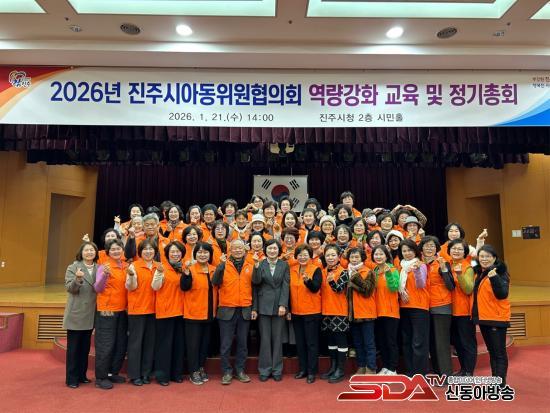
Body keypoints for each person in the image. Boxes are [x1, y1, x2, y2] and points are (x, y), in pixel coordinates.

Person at [212, 239, 254, 385]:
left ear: (244, 250)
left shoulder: (250, 265)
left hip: (244, 309)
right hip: (226, 309)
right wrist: (220, 265)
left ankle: (240, 370)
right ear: (230, 250)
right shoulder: (223, 265)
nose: (237, 250)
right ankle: (226, 372)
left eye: (240, 248)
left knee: (243, 344)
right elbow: (215, 282)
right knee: (226, 344)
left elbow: (256, 286)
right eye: (235, 248)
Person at [471, 245, 511, 386]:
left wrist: (494, 278)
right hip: (485, 318)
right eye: (482, 256)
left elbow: (502, 294)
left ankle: (500, 383)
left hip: (496, 318)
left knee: (498, 353)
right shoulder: (481, 272)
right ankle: (496, 381)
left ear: (494, 258)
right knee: (492, 352)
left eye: (488, 256)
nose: (484, 259)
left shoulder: (500, 272)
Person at [251, 239, 290, 382]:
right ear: (265, 250)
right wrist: (256, 266)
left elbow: (286, 285)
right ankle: (265, 369)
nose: (272, 251)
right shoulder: (260, 264)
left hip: (279, 306)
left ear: (279, 250)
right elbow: (255, 283)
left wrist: (283, 305)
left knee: (278, 339)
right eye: (269, 248)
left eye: (275, 248)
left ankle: (277, 369)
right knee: (265, 339)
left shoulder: (284, 265)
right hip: (264, 306)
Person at [63, 241, 99, 388]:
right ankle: (71, 378)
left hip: (91, 313)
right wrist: (77, 279)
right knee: (73, 349)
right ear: (81, 253)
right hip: (76, 313)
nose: (89, 252)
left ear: (96, 252)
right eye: (86, 250)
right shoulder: (73, 267)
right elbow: (70, 288)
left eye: (92, 250)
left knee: (85, 348)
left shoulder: (99, 268)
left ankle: (82, 375)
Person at [93, 239, 129, 390]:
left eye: (118, 248)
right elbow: (97, 288)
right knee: (105, 344)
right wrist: (104, 276)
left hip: (123, 310)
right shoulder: (104, 266)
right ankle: (101, 377)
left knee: (120, 344)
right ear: (108, 252)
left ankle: (112, 373)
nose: (116, 251)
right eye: (113, 249)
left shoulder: (126, 266)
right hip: (107, 310)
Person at [180, 242, 217, 385]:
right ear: (195, 254)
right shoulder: (190, 269)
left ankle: (201, 367)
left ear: (210, 254)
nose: (203, 255)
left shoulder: (214, 269)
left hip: (209, 313)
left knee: (204, 344)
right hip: (193, 313)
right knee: (193, 345)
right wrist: (186, 274)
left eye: (205, 252)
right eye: (200, 252)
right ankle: (193, 371)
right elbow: (184, 287)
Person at [151, 240, 186, 386]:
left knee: (178, 345)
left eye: (178, 252)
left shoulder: (184, 268)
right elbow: (155, 286)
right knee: (164, 346)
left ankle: (176, 374)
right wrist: (159, 273)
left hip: (181, 312)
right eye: (172, 252)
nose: (175, 254)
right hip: (165, 312)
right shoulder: (161, 268)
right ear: (167, 254)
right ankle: (162, 375)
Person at [420, 236, 455, 377]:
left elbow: (451, 286)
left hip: (441, 306)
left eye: (432, 246)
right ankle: (436, 370)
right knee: (432, 342)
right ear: (421, 248)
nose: (429, 248)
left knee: (441, 342)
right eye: (426, 246)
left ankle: (446, 374)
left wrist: (444, 269)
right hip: (424, 307)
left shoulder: (442, 263)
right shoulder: (419, 264)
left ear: (436, 248)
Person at [125, 239, 158, 386]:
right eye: (145, 249)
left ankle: (146, 373)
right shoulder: (134, 265)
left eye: (151, 249)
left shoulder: (159, 266)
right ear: (140, 252)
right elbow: (130, 287)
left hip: (154, 310)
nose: (148, 252)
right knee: (135, 343)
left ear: (155, 252)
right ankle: (134, 375)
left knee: (150, 343)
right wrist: (131, 276)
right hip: (137, 309)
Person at [289, 244, 323, 384]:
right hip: (296, 312)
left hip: (311, 312)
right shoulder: (292, 269)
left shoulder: (315, 269)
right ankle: (303, 369)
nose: (302, 257)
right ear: (296, 256)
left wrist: (308, 281)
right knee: (300, 343)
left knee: (311, 343)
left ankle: (312, 371)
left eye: (305, 255)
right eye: (300, 255)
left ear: (310, 256)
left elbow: (316, 288)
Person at [398, 239, 430, 376]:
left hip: (419, 307)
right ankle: (410, 371)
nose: (407, 253)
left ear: (415, 251)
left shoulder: (420, 265)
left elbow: (421, 284)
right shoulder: (401, 267)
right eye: (404, 251)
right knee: (407, 341)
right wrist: (401, 292)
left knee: (418, 342)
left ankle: (420, 373)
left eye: (410, 250)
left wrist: (416, 271)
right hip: (404, 307)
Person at [448, 238, 477, 376]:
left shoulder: (468, 267)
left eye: (460, 249)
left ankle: (469, 371)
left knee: (467, 343)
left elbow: (468, 289)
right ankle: (463, 369)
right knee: (457, 343)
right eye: (454, 248)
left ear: (465, 252)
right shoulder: (447, 265)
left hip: (463, 311)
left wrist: (459, 275)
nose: (456, 251)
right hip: (450, 310)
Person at [346, 247, 377, 376]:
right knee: (358, 343)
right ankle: (361, 366)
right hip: (353, 313)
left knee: (369, 343)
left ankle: (371, 368)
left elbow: (368, 291)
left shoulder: (368, 271)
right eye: (352, 257)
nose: (354, 259)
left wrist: (356, 278)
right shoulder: (347, 271)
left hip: (366, 313)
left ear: (362, 258)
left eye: (357, 257)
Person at [319, 245, 348, 382]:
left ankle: (340, 370)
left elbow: (338, 289)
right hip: (326, 311)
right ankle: (333, 367)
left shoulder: (344, 272)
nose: (330, 258)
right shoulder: (322, 271)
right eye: (328, 255)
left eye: (333, 255)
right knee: (331, 340)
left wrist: (331, 282)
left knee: (340, 340)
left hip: (339, 311)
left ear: (339, 257)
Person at [371, 245, 400, 375]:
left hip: (390, 312)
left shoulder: (392, 269)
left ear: (386, 256)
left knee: (390, 341)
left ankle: (393, 368)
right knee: (382, 341)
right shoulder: (374, 271)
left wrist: (388, 274)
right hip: (377, 312)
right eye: (376, 254)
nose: (378, 256)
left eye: (381, 254)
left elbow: (394, 288)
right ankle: (385, 366)